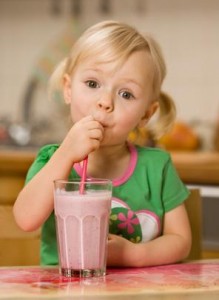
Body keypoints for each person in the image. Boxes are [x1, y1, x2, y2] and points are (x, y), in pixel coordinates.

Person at [13, 20, 192, 267]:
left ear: (146, 114)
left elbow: (181, 240)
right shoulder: (51, 161)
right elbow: (25, 219)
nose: (105, 102)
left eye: (126, 94)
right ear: (68, 89)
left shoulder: (157, 167)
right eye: (93, 84)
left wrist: (133, 255)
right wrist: (66, 154)